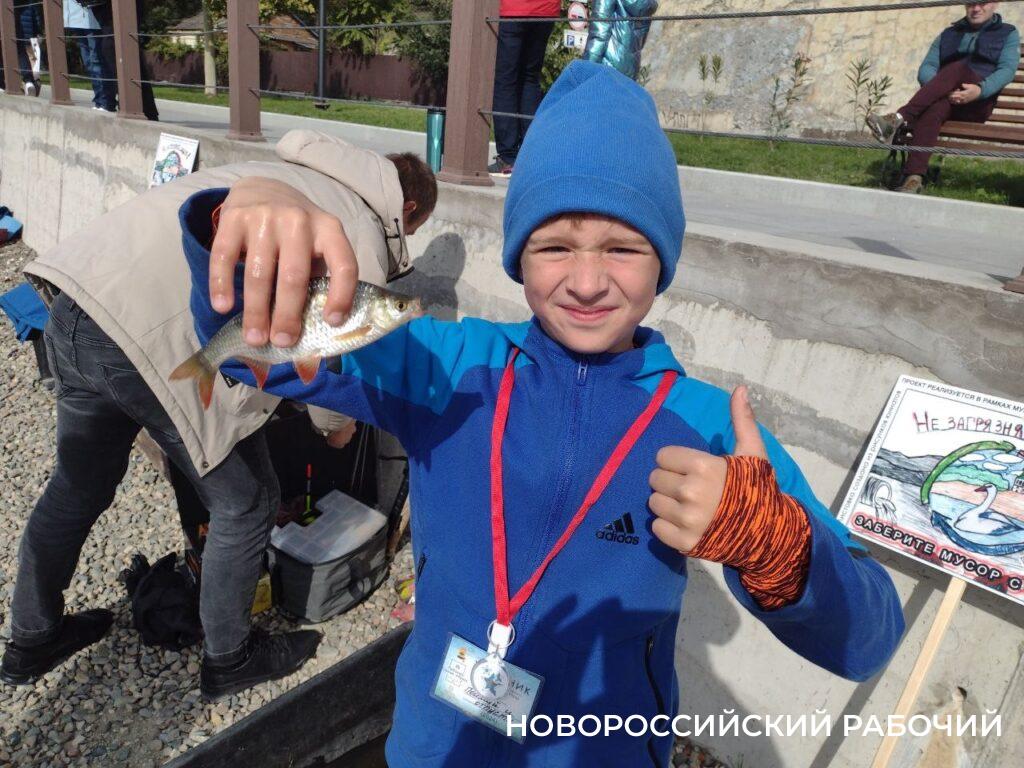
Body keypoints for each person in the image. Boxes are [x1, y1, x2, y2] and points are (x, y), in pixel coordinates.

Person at [182, 61, 905, 765]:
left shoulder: (712, 430)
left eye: (623, 248)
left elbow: (868, 640)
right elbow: (251, 345)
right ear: (517, 257)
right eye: (554, 246)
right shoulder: (447, 366)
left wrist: (773, 542)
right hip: (435, 745)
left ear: (664, 260)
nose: (587, 282)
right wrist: (245, 222)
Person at [0, 131, 437, 703]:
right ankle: (230, 658)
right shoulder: (356, 228)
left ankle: (31, 638)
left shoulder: (296, 171)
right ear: (407, 209)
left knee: (77, 485)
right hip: (150, 342)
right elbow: (321, 353)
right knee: (247, 500)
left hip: (74, 304)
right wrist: (336, 428)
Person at [867, 2, 1020, 194]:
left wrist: (979, 90)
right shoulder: (949, 34)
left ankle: (899, 117)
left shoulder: (1007, 33)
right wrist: (942, 89)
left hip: (977, 103)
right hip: (945, 98)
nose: (976, 9)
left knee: (957, 68)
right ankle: (914, 178)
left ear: (995, 4)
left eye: (982, 3)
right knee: (933, 108)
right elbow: (927, 67)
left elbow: (1007, 70)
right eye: (971, 3)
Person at [489, 0, 560, 177]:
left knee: (506, 81)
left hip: (514, 9)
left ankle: (508, 157)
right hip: (545, 10)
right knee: (530, 79)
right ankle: (530, 155)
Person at [583, 0, 659, 81]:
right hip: (631, 68)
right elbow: (641, 41)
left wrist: (586, 71)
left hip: (606, 66)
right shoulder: (647, 3)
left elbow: (598, 35)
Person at [63, 0, 118, 112]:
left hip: (92, 17)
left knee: (96, 60)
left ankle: (106, 102)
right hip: (75, 17)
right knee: (88, 61)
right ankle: (99, 101)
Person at [16, 2, 44, 96]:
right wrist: (37, 33)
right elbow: (36, 18)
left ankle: (25, 84)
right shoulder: (29, 3)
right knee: (32, 61)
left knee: (19, 60)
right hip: (29, 36)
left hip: (18, 34)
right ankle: (35, 81)